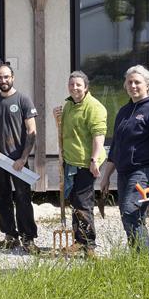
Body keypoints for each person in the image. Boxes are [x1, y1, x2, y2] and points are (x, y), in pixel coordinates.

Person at [99, 65, 149, 252]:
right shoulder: (124, 111)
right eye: (129, 82)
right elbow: (115, 147)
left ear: (148, 85)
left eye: (137, 82)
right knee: (129, 215)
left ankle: (142, 260)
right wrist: (106, 176)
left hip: (144, 170)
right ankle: (138, 258)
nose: (133, 86)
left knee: (130, 212)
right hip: (124, 172)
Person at [0, 63, 40, 253]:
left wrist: (23, 158)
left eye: (6, 77)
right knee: (2, 198)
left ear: (12, 77)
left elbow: (32, 131)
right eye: (0, 77)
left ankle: (28, 238)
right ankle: (10, 236)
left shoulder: (23, 100)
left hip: (18, 161)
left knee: (23, 199)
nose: (3, 80)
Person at [52, 70, 107, 257]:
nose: (74, 88)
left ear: (86, 87)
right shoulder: (69, 105)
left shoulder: (94, 107)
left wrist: (94, 160)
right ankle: (79, 240)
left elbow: (98, 136)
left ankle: (89, 245)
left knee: (84, 203)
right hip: (70, 162)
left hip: (86, 162)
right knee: (75, 201)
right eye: (71, 84)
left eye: (78, 85)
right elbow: (65, 132)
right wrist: (57, 119)